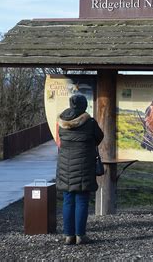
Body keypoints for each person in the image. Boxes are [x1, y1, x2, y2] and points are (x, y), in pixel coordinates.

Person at [56, 94, 104, 245]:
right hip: (84, 166)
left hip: (65, 167)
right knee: (82, 200)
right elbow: (99, 137)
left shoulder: (62, 123)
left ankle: (68, 236)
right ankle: (80, 236)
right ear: (84, 106)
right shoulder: (89, 123)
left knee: (68, 200)